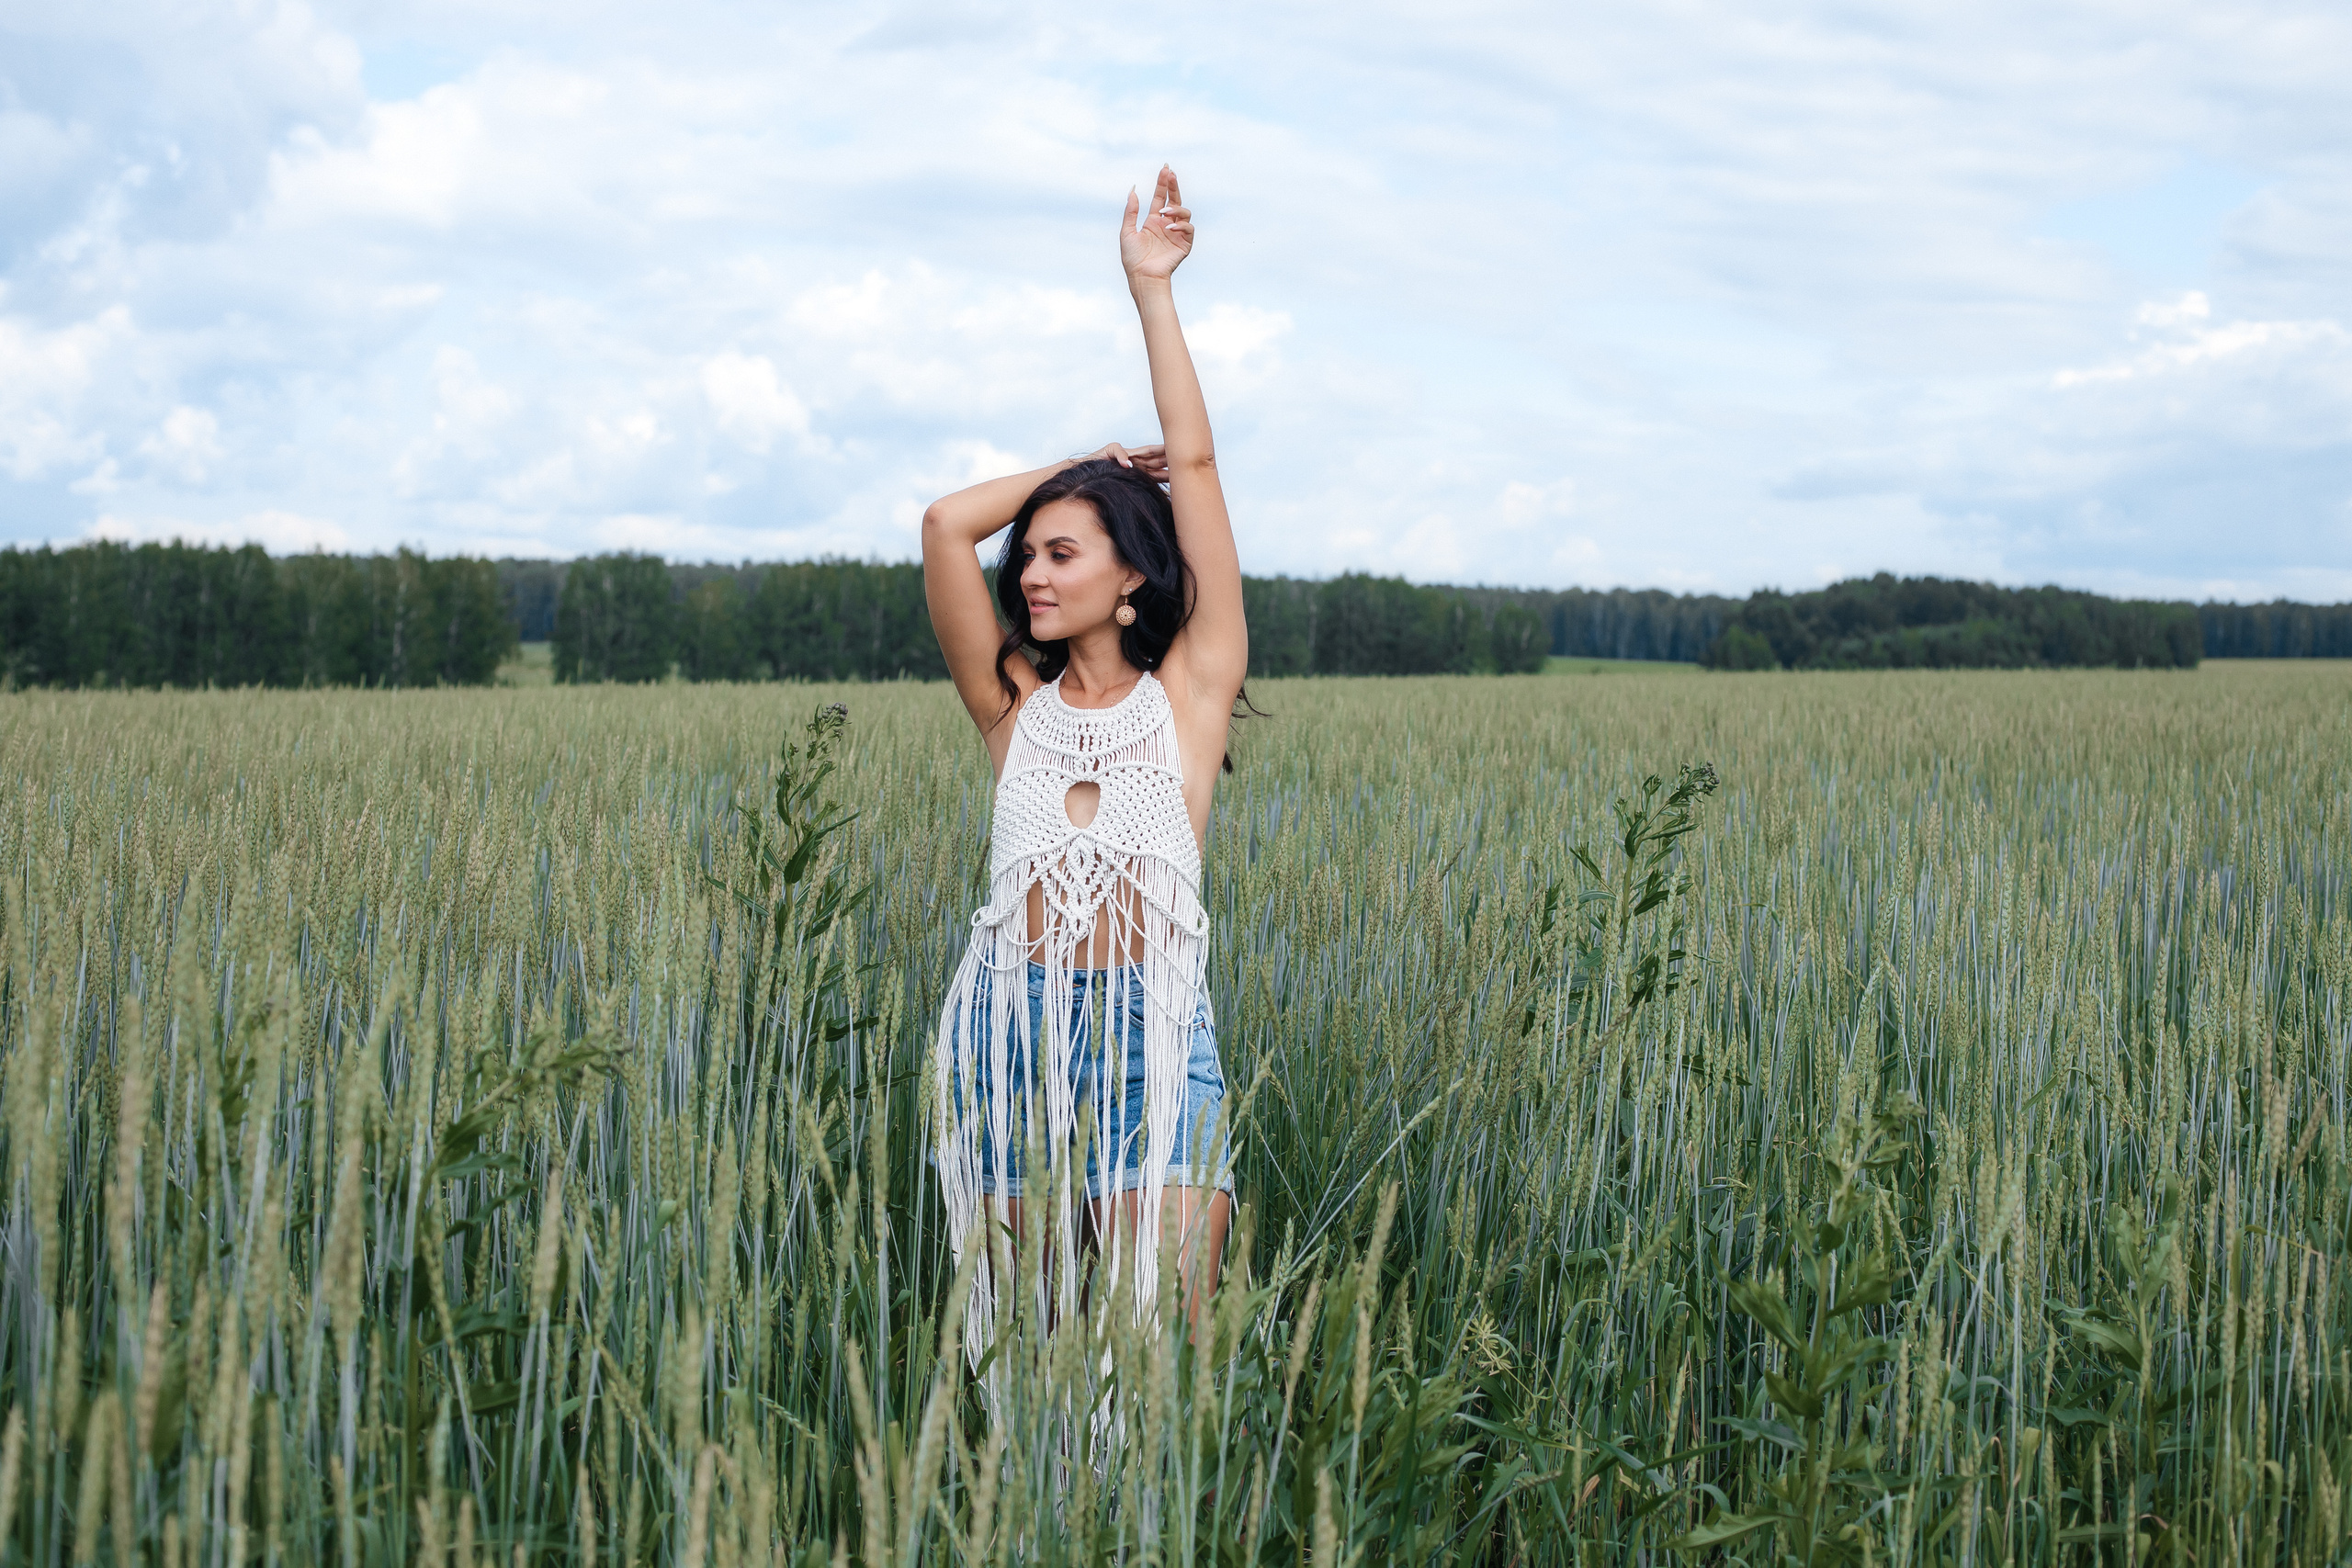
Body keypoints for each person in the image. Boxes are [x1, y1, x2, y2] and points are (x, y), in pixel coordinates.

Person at [922, 166, 1248, 1345]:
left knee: (1154, 1369)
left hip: (1151, 1043)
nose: (1033, 574)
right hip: (1004, 1038)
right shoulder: (1013, 708)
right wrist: (1081, 467)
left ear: (1133, 577)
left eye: (1063, 552)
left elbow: (1198, 471)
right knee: (1026, 1369)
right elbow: (947, 525)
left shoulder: (1188, 697)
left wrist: (1148, 289)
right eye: (1031, 562)